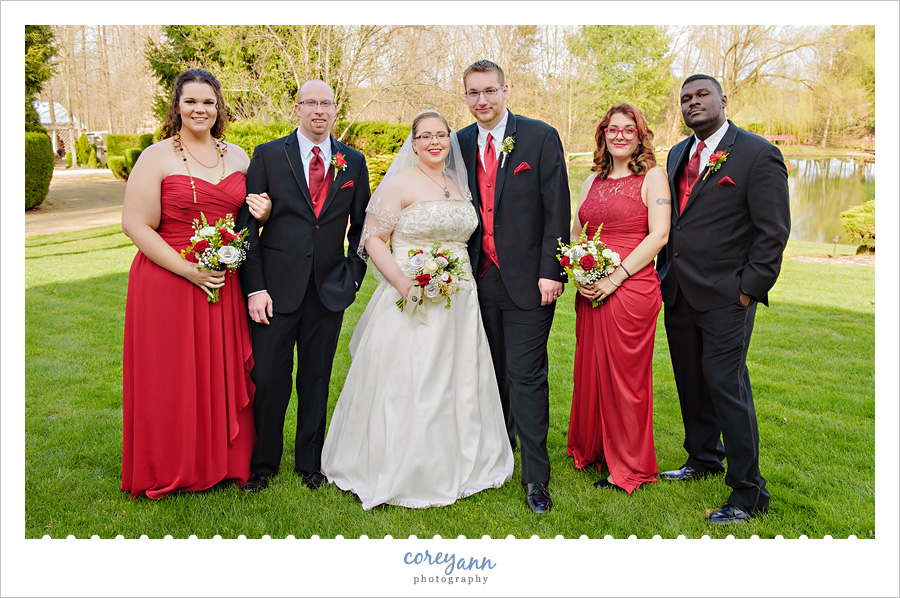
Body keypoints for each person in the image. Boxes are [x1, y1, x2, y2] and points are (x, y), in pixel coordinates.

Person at [321, 111, 514, 509]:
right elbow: (373, 239)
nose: (433, 142)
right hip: (410, 292)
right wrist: (404, 282)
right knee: (413, 376)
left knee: (458, 376)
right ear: (412, 143)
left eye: (440, 135)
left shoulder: (458, 184)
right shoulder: (399, 183)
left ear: (449, 140)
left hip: (460, 299)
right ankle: (405, 466)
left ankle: (462, 460)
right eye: (424, 136)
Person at [120, 68, 271, 499]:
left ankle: (223, 463)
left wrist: (262, 213)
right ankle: (173, 463)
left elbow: (251, 217)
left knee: (219, 370)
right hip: (168, 281)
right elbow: (135, 224)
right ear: (177, 106)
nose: (199, 109)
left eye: (208, 101)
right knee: (172, 375)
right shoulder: (157, 156)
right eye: (190, 101)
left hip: (222, 281)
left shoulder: (240, 156)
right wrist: (188, 270)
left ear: (219, 106)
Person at [656, 74, 790, 524]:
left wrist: (749, 288)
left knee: (727, 386)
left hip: (728, 296)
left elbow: (773, 231)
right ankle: (703, 459)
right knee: (691, 381)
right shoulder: (678, 153)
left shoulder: (757, 153)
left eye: (702, 95)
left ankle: (749, 491)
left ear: (723, 101)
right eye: (686, 98)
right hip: (678, 289)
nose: (693, 103)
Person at [237, 79, 370, 493]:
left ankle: (310, 464)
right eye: (310, 103)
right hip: (275, 291)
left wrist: (352, 276)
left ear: (335, 109)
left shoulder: (353, 161)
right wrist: (255, 288)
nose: (318, 110)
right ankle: (263, 465)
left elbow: (364, 228)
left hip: (328, 291)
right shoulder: (268, 155)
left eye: (326, 103)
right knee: (270, 380)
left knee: (316, 379)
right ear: (297, 107)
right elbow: (246, 228)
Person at [456, 60, 571, 513]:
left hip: (529, 281)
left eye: (489, 91)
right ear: (465, 96)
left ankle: (535, 479)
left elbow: (557, 208)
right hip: (477, 279)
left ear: (506, 91)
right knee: (491, 372)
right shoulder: (459, 142)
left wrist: (552, 271)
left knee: (526, 376)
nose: (481, 101)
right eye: (473, 93)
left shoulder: (540, 137)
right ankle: (499, 451)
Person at [567, 104, 671, 493]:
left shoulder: (653, 178)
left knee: (626, 379)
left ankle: (630, 466)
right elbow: (578, 235)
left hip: (631, 288)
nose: (621, 136)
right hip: (591, 286)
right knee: (592, 371)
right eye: (613, 129)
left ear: (641, 135)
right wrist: (579, 275)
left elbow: (658, 235)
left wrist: (616, 278)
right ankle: (593, 447)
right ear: (603, 135)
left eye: (630, 129)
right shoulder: (590, 181)